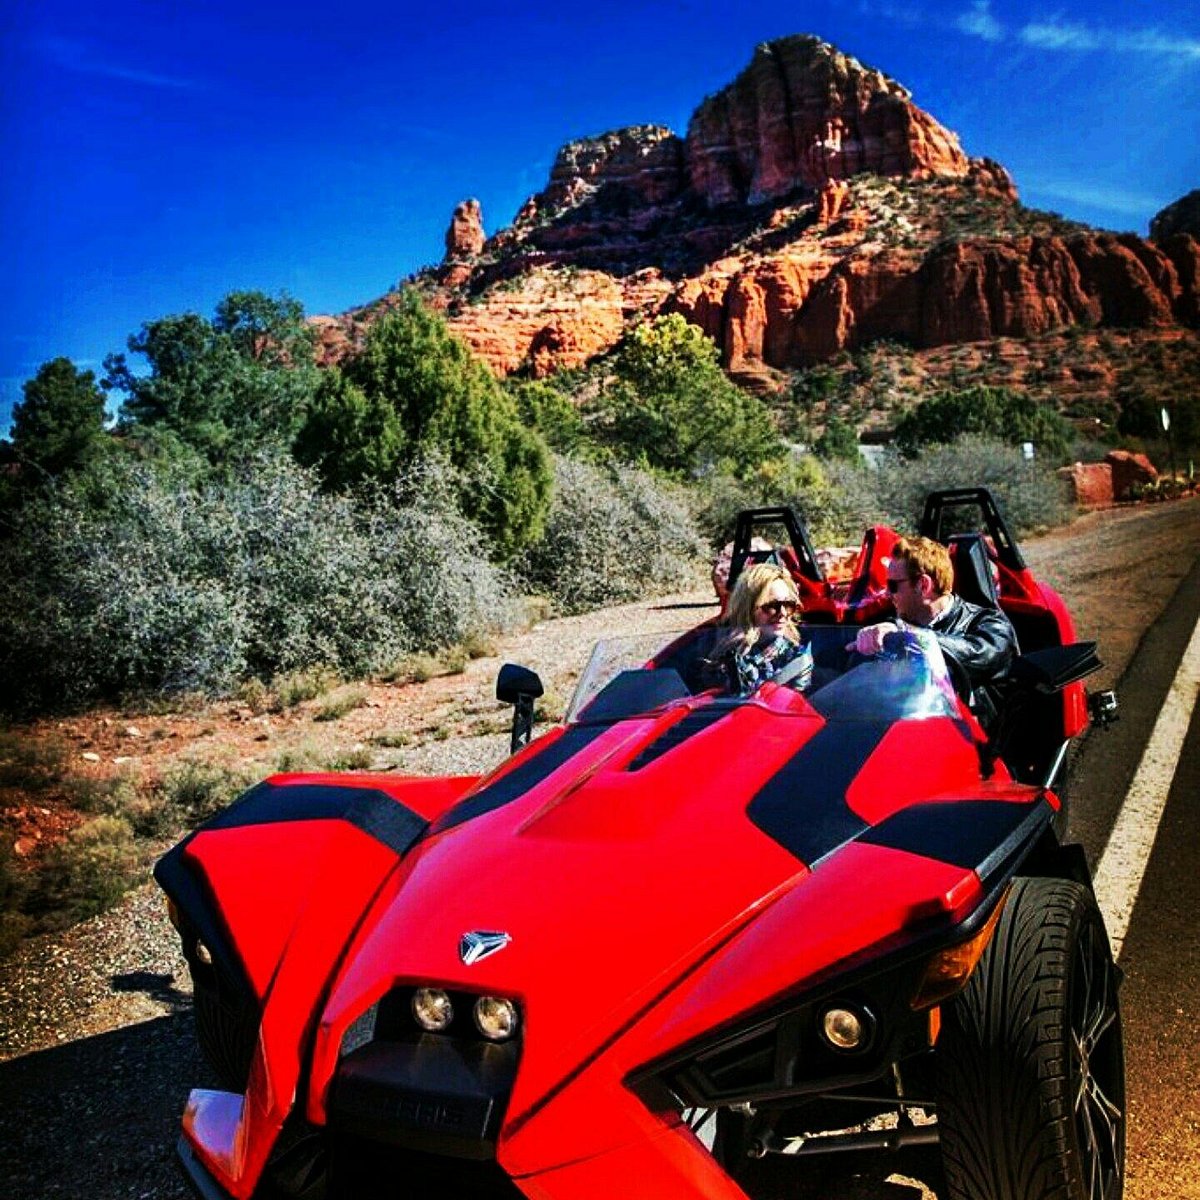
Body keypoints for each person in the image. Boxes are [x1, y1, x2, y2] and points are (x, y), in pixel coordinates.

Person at [853, 535, 1017, 711]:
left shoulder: (992, 625)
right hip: (913, 727)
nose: (887, 593)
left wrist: (911, 638)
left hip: (973, 734)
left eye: (893, 585)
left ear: (924, 585)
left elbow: (980, 654)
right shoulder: (897, 623)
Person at [714, 563, 813, 695]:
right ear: (748, 608)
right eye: (772, 606)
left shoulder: (796, 658)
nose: (783, 613)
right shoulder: (720, 645)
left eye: (788, 605)